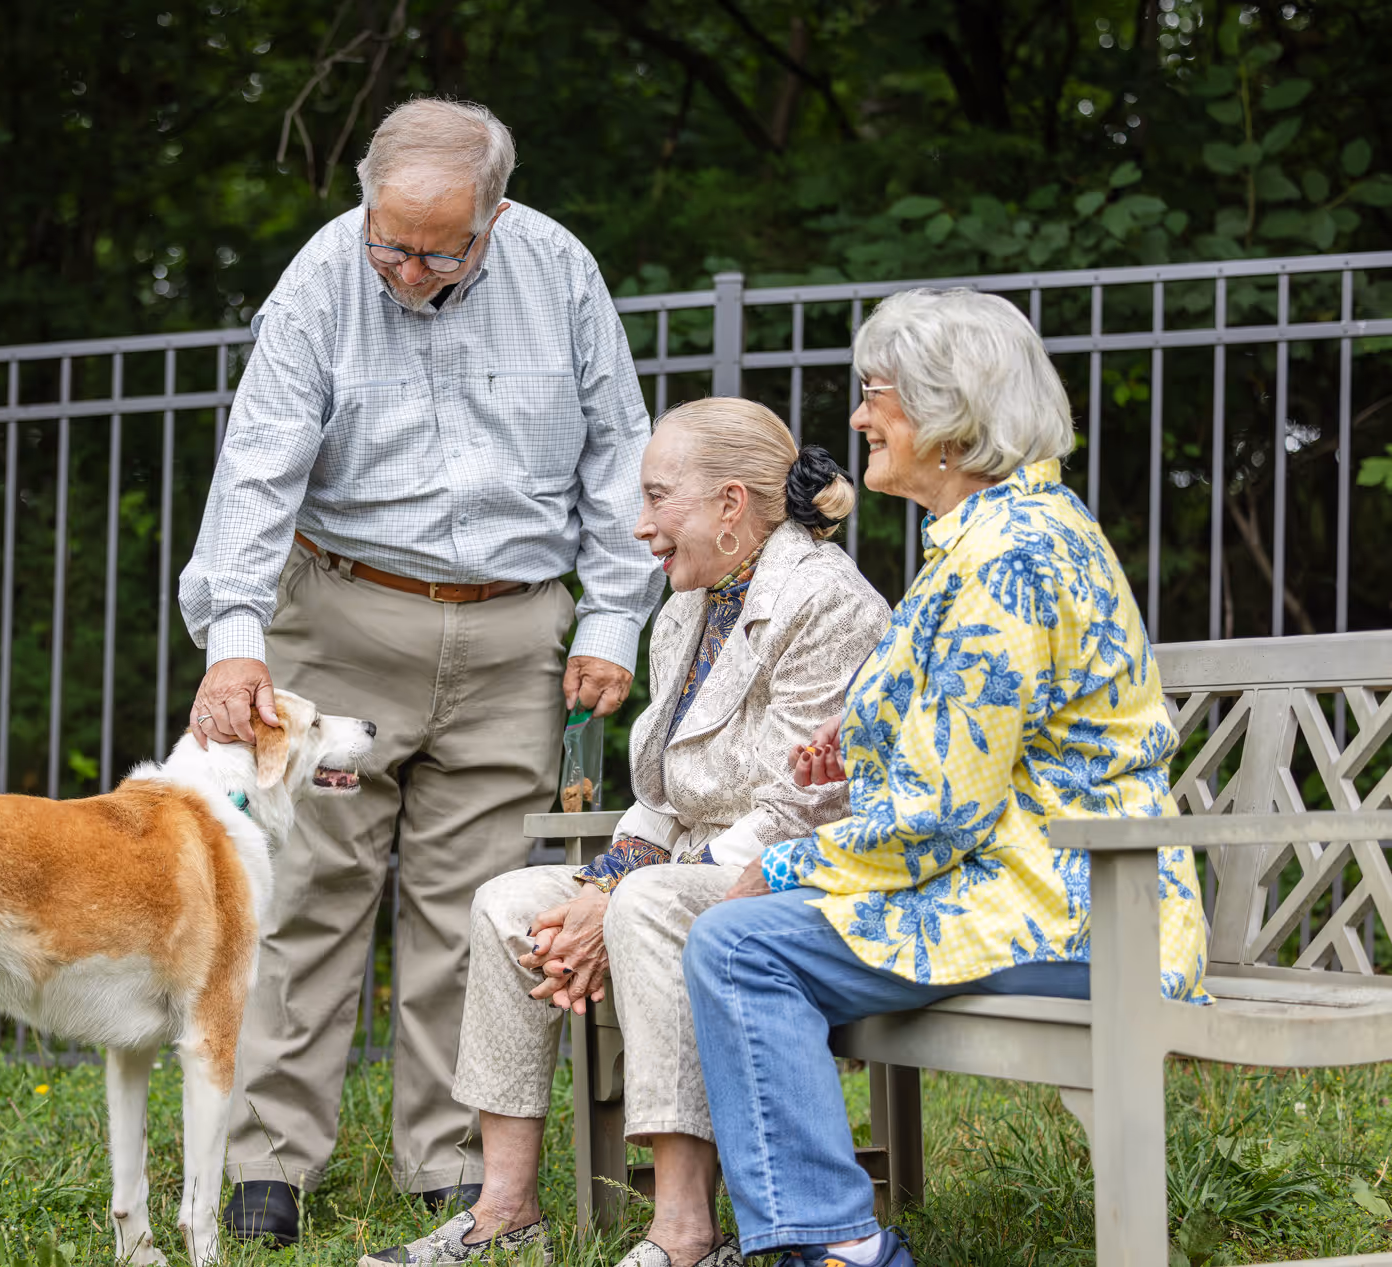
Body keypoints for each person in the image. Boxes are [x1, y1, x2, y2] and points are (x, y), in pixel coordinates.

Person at [177, 98, 665, 1242]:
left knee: (476, 907)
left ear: (494, 216)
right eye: (387, 242)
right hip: (341, 619)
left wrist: (613, 621)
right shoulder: (320, 278)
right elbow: (257, 463)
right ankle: (267, 1163)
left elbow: (618, 449)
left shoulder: (560, 270)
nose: (403, 269)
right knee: (306, 895)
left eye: (436, 249)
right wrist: (235, 633)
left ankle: (451, 1160)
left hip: (513, 631)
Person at [682, 288, 1212, 1267]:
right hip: (1039, 890)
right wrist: (867, 738)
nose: (854, 418)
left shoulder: (1008, 555)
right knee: (745, 938)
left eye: (874, 391)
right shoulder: (996, 534)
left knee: (741, 942)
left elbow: (942, 812)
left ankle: (834, 1247)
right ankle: (826, 1237)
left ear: (948, 413)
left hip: (1081, 908)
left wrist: (795, 867)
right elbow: (987, 733)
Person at [360, 397, 890, 1267]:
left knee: (646, 902)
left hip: (794, 871)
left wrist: (616, 898)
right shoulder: (688, 604)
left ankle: (685, 1230)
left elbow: (806, 805)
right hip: (684, 867)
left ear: (730, 505)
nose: (638, 527)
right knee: (508, 901)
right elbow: (658, 792)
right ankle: (505, 1208)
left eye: (656, 498)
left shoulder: (826, 602)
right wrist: (598, 888)